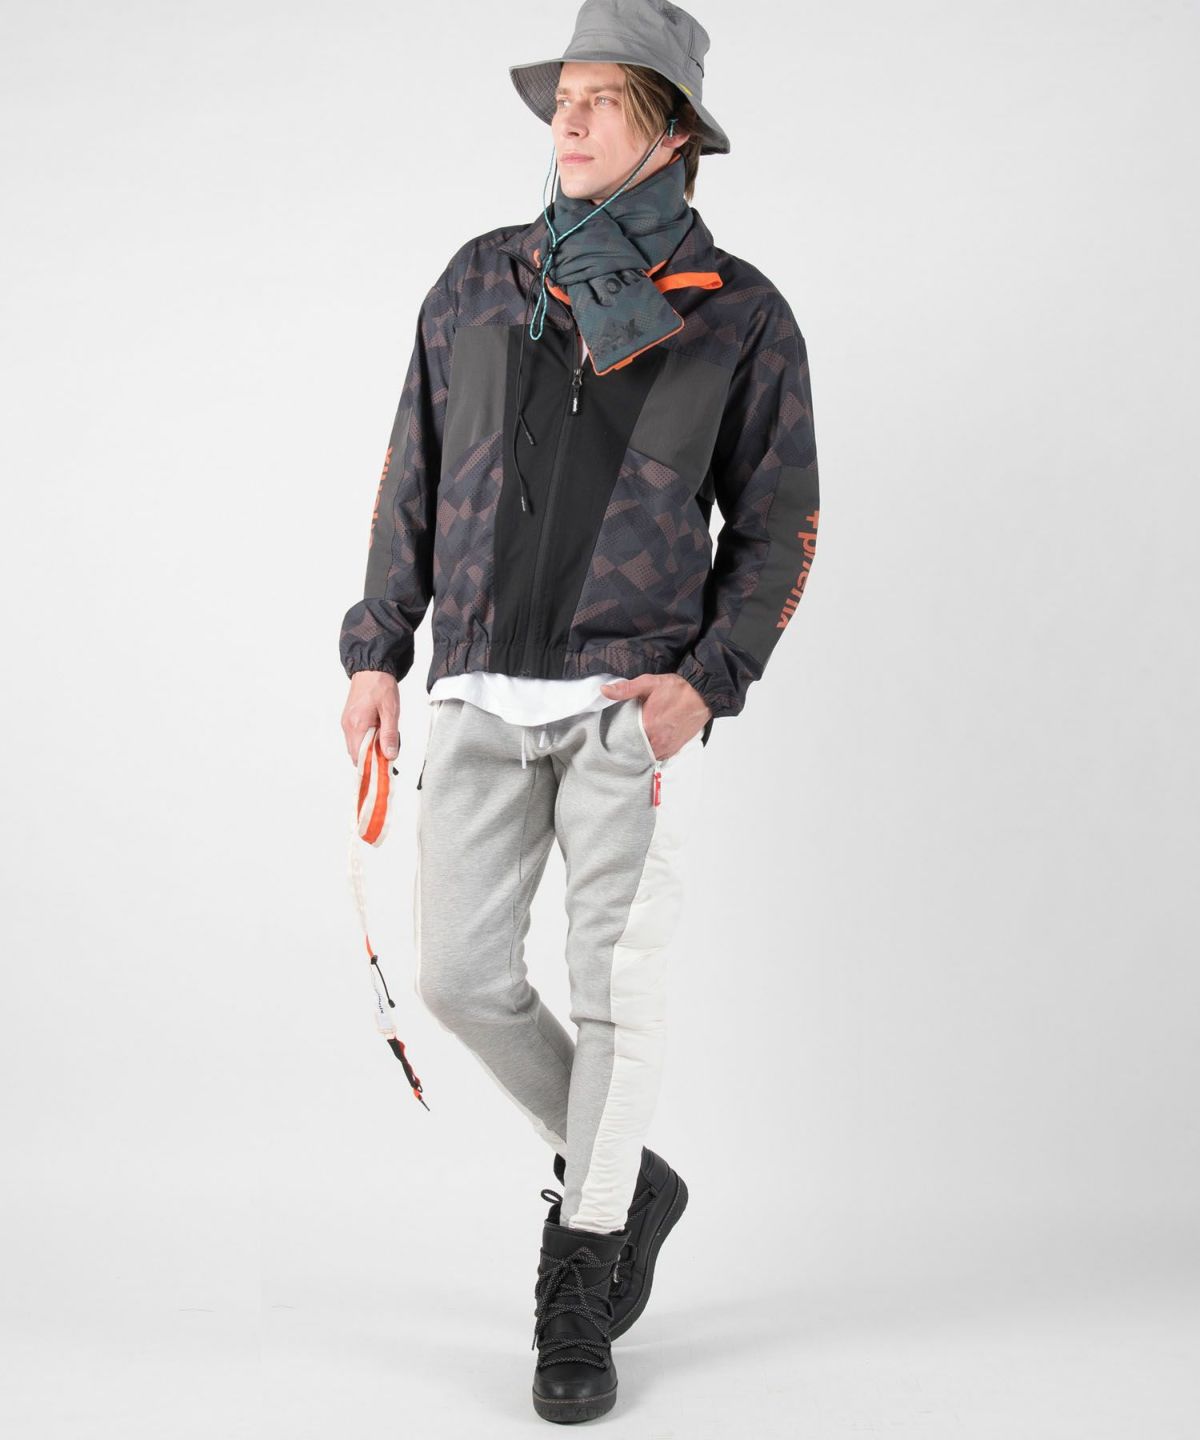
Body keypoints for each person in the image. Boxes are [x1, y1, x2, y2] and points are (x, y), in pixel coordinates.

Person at [337, 0, 819, 1422]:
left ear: (670, 133)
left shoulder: (738, 316)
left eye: (607, 97)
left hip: (628, 706)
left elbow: (780, 525)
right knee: (459, 975)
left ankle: (583, 1261)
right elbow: (412, 470)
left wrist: (706, 682)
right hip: (482, 687)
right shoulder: (481, 283)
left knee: (619, 992)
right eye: (565, 94)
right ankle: (633, 1176)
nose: (571, 116)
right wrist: (377, 649)